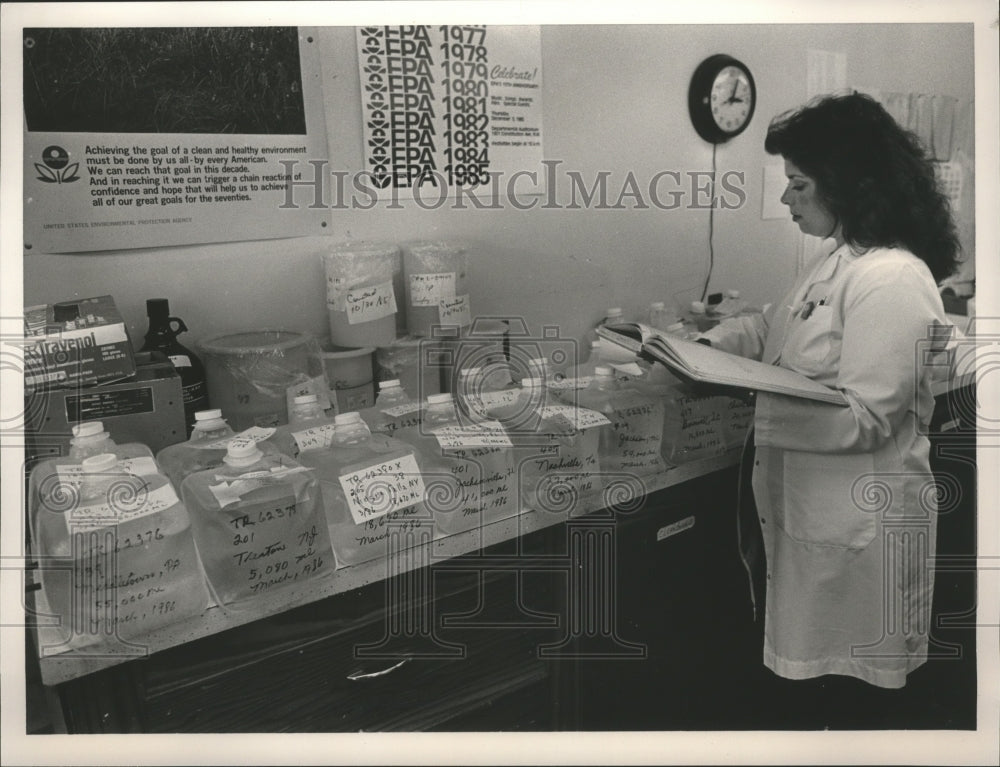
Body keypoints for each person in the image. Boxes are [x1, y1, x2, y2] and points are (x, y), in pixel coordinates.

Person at [698, 92, 960, 691]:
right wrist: (698, 348)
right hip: (815, 521)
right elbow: (773, 327)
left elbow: (868, 417)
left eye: (799, 184)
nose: (787, 198)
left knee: (850, 700)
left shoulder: (890, 276)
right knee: (807, 682)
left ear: (847, 185)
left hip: (860, 539)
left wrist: (749, 399)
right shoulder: (837, 260)